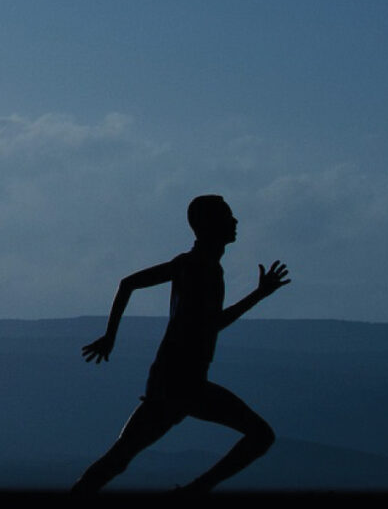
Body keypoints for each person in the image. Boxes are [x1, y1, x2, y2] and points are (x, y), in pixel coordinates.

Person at [74, 194, 289, 492]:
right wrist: (258, 295)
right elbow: (211, 325)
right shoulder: (204, 269)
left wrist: (111, 336)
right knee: (261, 435)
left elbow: (128, 283)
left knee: (120, 458)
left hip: (171, 380)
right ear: (210, 225)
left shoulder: (188, 263)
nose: (235, 221)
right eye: (228, 216)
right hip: (183, 383)